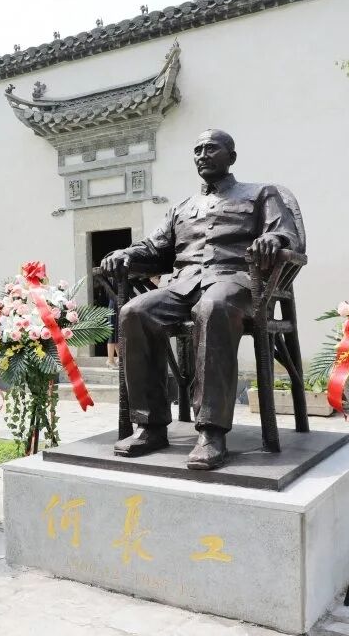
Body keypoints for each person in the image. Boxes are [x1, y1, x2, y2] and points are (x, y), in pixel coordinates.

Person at [100, 129, 299, 470]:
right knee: (134, 312)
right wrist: (126, 254)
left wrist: (274, 239)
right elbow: (154, 248)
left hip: (237, 283)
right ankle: (150, 426)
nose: (203, 155)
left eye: (211, 148)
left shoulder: (261, 193)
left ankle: (211, 432)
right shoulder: (182, 207)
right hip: (183, 285)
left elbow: (287, 233)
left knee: (213, 306)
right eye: (197, 150)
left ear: (231, 156)